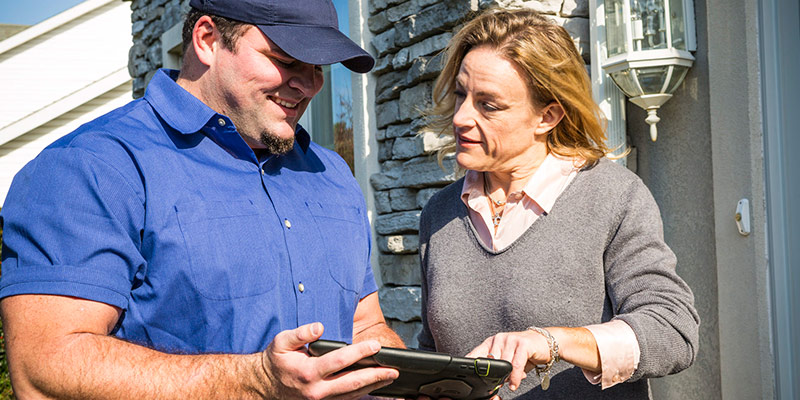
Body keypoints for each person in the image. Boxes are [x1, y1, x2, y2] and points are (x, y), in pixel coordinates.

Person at [0, 0, 404, 398]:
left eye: (318, 67)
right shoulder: (92, 166)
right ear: (208, 39)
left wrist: (416, 379)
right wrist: (257, 380)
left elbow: (364, 327)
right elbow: (45, 368)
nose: (310, 83)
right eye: (286, 59)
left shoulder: (330, 173)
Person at [417, 8, 700, 399]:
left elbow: (672, 330)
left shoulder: (612, 197)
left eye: (489, 105)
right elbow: (433, 351)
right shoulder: (439, 213)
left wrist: (552, 341)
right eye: (461, 94)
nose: (462, 117)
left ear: (547, 116)